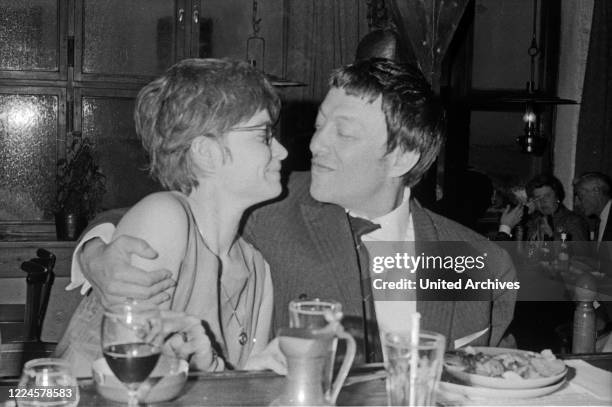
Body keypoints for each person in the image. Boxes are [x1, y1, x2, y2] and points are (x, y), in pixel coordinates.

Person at [68, 59, 517, 363]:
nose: (315, 144)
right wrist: (97, 254)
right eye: (320, 124)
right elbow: (160, 206)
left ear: (401, 157)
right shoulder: (272, 203)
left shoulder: (474, 261)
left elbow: (499, 373)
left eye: (343, 133)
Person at [54, 58, 288, 375]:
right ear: (206, 151)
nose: (282, 151)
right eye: (263, 134)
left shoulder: (258, 267)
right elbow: (131, 379)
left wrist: (252, 377)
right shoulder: (164, 218)